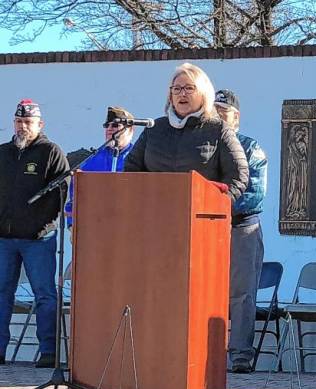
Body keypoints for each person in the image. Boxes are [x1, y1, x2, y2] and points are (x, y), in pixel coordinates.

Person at [0, 99, 70, 367]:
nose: (22, 127)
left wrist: (42, 226)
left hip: (38, 240)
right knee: (2, 293)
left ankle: (49, 352)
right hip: (4, 239)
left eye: (28, 122)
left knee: (45, 294)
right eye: (18, 121)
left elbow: (60, 194)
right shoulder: (3, 153)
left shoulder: (50, 152)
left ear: (39, 125)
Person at [124, 63, 248, 201]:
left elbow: (238, 176)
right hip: (154, 215)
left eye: (189, 88)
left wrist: (217, 205)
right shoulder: (154, 128)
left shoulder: (219, 130)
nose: (182, 94)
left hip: (201, 217)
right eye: (176, 89)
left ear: (204, 94)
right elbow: (130, 171)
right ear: (170, 96)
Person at [214, 89, 268, 373]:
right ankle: (206, 353)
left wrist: (218, 204)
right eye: (214, 112)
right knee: (204, 292)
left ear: (236, 118)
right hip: (208, 230)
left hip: (242, 229)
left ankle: (240, 356)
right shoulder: (205, 146)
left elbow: (256, 193)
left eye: (224, 113)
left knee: (242, 295)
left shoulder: (251, 148)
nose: (218, 117)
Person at [64, 106, 136, 227]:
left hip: (128, 227)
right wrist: (72, 226)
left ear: (130, 130)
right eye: (107, 125)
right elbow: (76, 194)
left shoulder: (138, 158)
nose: (109, 129)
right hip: (96, 226)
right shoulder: (92, 159)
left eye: (115, 125)